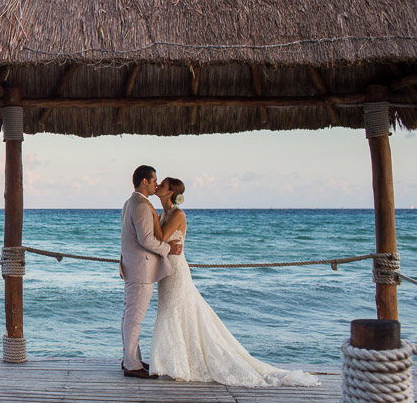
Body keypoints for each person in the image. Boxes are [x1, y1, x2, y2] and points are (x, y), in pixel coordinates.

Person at [148, 177, 318, 386]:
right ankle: (174, 362)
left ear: (170, 192)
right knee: (170, 311)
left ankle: (180, 364)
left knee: (176, 310)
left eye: (162, 185)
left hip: (176, 270)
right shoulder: (163, 213)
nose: (158, 187)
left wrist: (147, 214)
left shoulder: (176, 214)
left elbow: (161, 237)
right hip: (166, 269)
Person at [120, 165, 182, 379]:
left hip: (133, 266)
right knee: (134, 317)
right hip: (141, 268)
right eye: (154, 180)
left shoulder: (130, 202)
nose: (156, 184)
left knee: (129, 314)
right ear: (144, 182)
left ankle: (131, 358)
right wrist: (168, 249)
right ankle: (131, 364)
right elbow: (145, 239)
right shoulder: (141, 205)